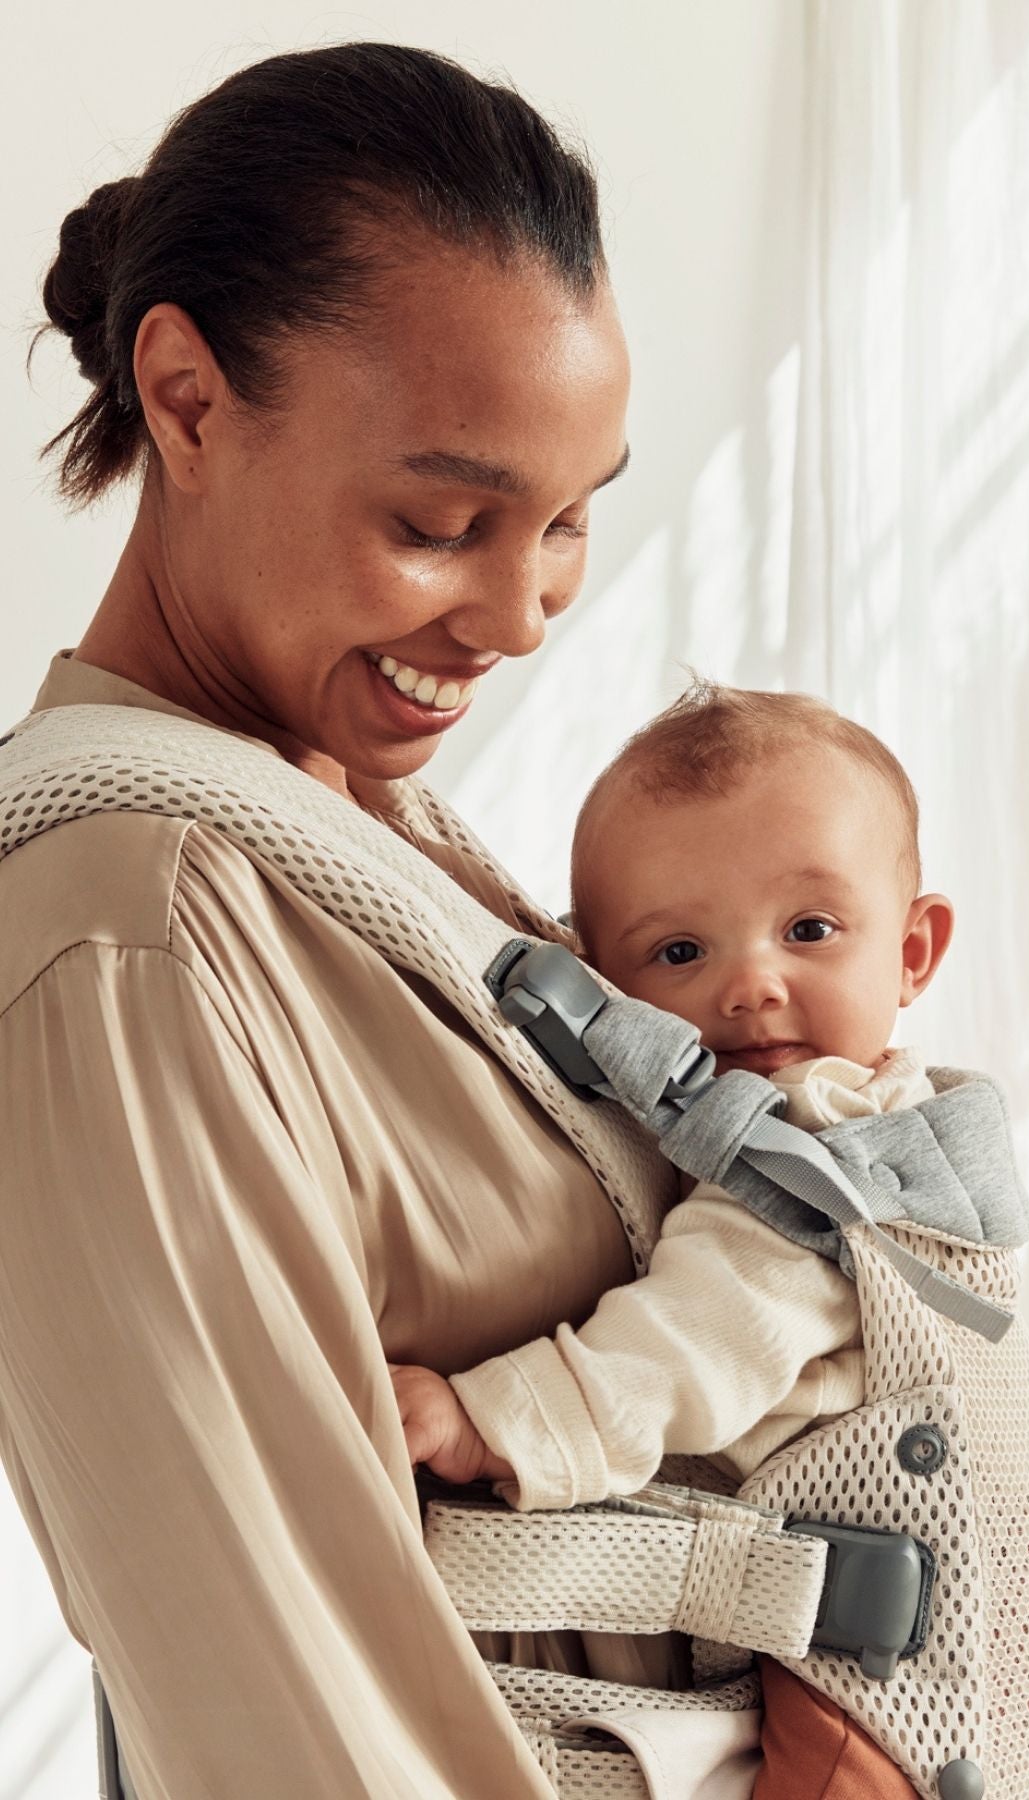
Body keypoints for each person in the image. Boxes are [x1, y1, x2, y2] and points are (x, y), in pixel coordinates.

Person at [0, 42, 663, 1800]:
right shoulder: (129, 942)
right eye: (444, 522)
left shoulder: (371, 840)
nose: (521, 616)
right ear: (191, 403)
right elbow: (302, 1730)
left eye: (572, 520)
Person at [391, 681, 954, 1799]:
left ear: (914, 949)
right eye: (680, 952)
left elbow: (700, 1340)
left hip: (867, 1671)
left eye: (809, 931)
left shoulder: (817, 1158)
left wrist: (491, 1422)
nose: (749, 986)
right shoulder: (882, 1118)